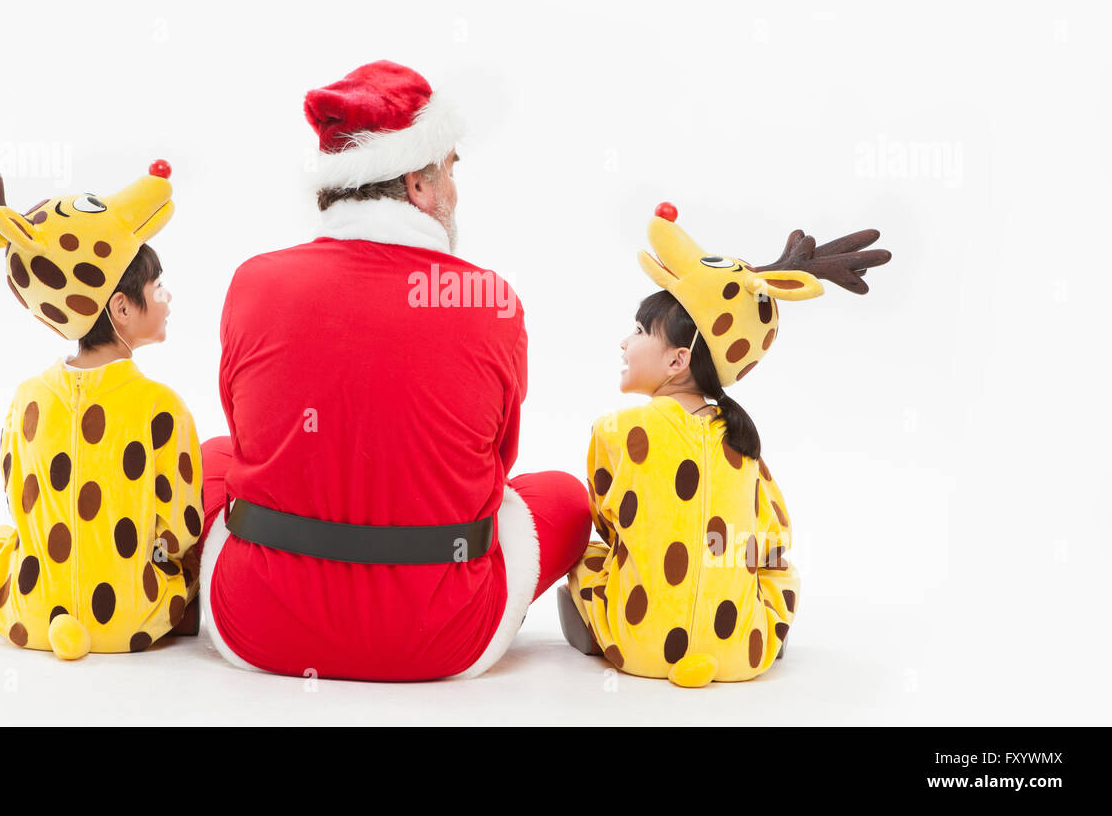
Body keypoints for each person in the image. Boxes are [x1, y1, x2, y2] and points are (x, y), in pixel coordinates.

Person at [196, 60, 592, 681]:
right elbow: (495, 468)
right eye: (451, 170)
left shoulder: (253, 282)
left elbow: (252, 435)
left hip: (258, 626)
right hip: (446, 637)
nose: (457, 191)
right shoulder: (488, 300)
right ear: (418, 185)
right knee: (565, 497)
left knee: (215, 457)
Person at [559, 203, 890, 686]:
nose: (624, 343)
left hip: (638, 650)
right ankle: (752, 631)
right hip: (741, 656)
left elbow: (611, 529)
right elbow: (773, 544)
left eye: (637, 330)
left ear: (677, 360)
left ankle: (603, 631)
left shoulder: (615, 431)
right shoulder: (745, 443)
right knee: (763, 560)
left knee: (581, 549)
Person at [0, 156, 203, 660]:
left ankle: (49, 612)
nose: (168, 299)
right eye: (157, 289)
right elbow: (181, 532)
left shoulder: (26, 398)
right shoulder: (162, 407)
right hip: (131, 620)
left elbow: (17, 502)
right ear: (122, 308)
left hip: (35, 615)